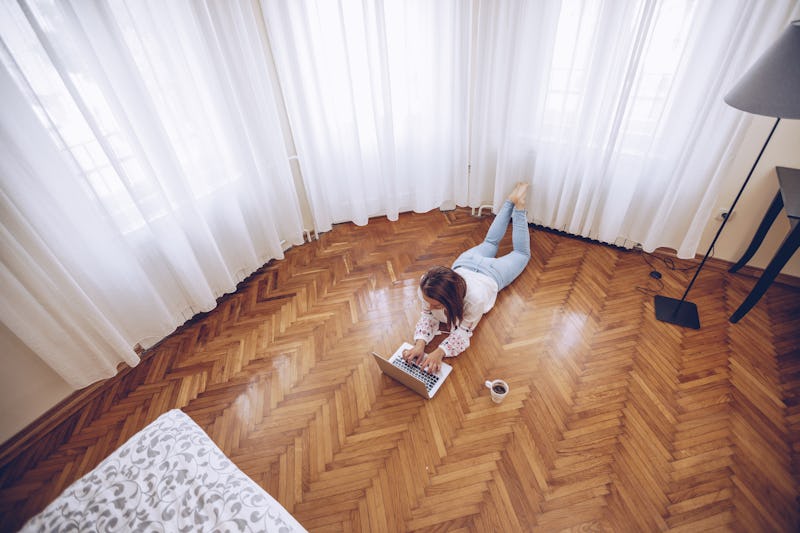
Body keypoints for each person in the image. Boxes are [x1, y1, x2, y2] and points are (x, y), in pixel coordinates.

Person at [403, 182, 531, 373]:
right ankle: (512, 201)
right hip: (466, 262)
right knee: (490, 242)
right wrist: (420, 344)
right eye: (428, 302)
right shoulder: (426, 286)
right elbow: (427, 316)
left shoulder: (474, 301)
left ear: (452, 299)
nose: (428, 307)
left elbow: (464, 331)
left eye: (436, 305)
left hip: (491, 272)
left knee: (521, 254)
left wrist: (440, 351)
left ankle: (517, 206)